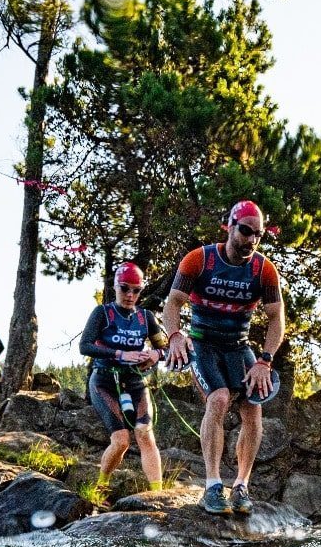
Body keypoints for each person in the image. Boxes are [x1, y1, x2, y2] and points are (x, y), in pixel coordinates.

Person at [162, 200, 285, 516]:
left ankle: (241, 485)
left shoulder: (263, 269)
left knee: (252, 409)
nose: (251, 240)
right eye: (245, 231)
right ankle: (213, 485)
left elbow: (276, 319)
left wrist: (264, 361)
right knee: (218, 400)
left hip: (237, 347)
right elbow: (173, 302)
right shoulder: (199, 260)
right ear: (229, 227)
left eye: (258, 235)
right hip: (203, 344)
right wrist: (175, 336)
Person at [79, 262, 169, 499]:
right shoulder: (103, 313)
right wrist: (119, 354)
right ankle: (101, 487)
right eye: (124, 288)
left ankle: (157, 497)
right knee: (121, 441)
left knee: (145, 433)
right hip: (104, 381)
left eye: (136, 290)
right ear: (116, 287)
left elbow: (167, 349)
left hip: (135, 381)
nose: (130, 295)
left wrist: (155, 354)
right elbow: (84, 346)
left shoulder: (145, 317)